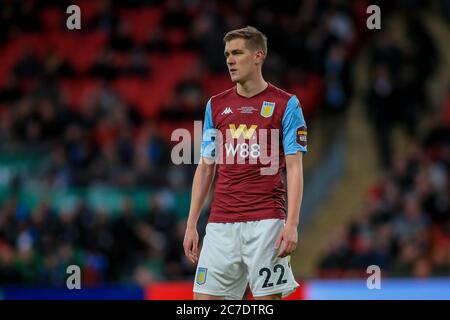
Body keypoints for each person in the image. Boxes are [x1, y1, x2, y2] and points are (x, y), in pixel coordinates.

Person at [183, 26, 307, 300]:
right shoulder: (216, 105)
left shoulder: (286, 104)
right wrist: (192, 224)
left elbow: (294, 168)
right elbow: (205, 166)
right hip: (220, 225)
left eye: (237, 52)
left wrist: (292, 224)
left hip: (267, 225)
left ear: (258, 56)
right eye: (227, 53)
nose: (229, 60)